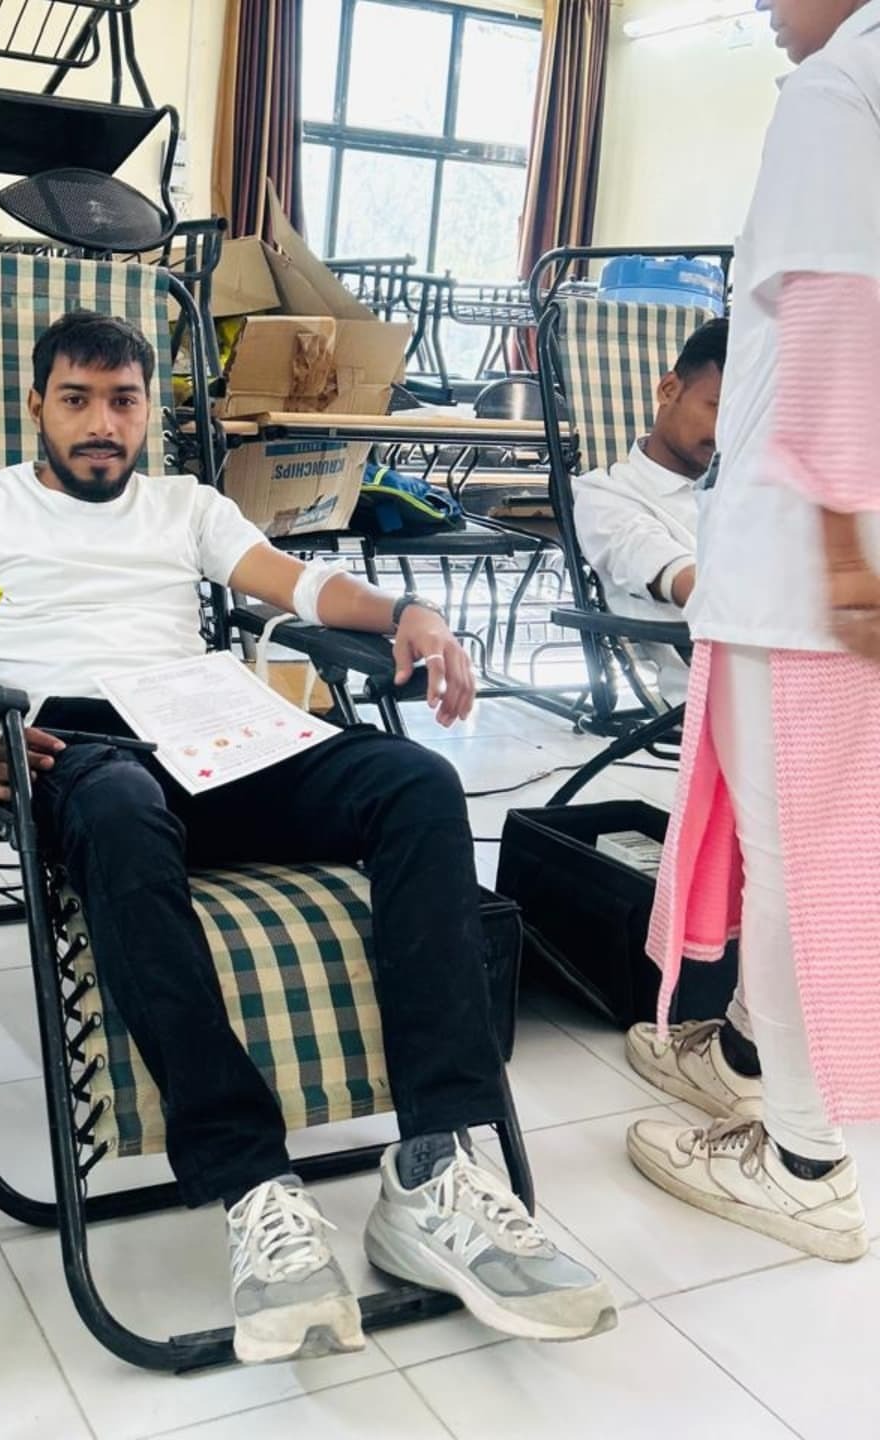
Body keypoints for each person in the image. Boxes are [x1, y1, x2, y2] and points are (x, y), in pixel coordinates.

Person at [0, 310, 616, 1362]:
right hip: (71, 742)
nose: (102, 423)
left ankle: (435, 1165)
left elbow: (298, 582)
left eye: (123, 401)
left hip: (208, 726)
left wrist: (405, 614)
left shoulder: (185, 505)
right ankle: (252, 1182)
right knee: (120, 812)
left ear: (147, 412)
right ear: (36, 408)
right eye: (77, 400)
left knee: (416, 784)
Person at [626, 0, 880, 1263]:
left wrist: (843, 551)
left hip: (807, 570)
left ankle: (805, 1157)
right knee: (823, 842)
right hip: (830, 558)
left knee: (802, 858)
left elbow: (835, 323)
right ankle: (743, 1061)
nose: (769, 9)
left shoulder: (839, 90)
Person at [572, 318, 728, 704]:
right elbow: (673, 573)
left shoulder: (751, 489)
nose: (727, 431)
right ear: (668, 389)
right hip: (722, 692)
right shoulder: (606, 496)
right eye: (718, 408)